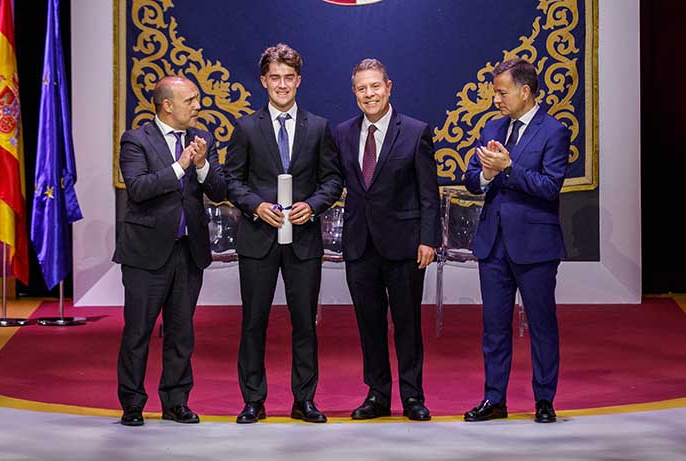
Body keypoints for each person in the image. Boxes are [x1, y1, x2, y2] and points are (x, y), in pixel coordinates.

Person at [226, 43, 343, 423]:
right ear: (263, 80)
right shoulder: (246, 127)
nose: (282, 84)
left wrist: (314, 205)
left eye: (288, 77)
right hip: (258, 239)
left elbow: (332, 180)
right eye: (275, 77)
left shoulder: (319, 127)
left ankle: (304, 400)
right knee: (253, 323)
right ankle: (253, 400)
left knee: (305, 323)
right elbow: (232, 180)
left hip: (304, 241)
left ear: (299, 80)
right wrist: (255, 205)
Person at [114, 75, 228, 426]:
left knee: (181, 332)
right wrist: (181, 166)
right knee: (138, 331)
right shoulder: (136, 140)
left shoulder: (202, 139)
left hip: (188, 252)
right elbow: (138, 188)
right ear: (167, 105)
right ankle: (132, 403)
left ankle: (176, 401)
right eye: (190, 100)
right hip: (146, 254)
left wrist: (202, 165)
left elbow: (220, 190)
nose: (198, 106)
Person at [462, 57, 570, 424]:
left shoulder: (553, 131)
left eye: (501, 92)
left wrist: (508, 168)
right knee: (494, 327)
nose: (496, 100)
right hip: (493, 244)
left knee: (541, 325)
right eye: (495, 93)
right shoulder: (492, 127)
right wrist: (487, 174)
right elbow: (472, 179)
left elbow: (550, 187)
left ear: (525, 92)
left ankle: (544, 399)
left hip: (535, 245)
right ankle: (494, 399)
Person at [333, 58, 440, 421]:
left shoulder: (415, 131)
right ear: (354, 92)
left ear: (389, 87)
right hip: (359, 245)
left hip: (405, 245)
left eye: (375, 86)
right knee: (370, 325)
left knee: (407, 324)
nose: (369, 94)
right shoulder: (343, 133)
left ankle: (412, 396)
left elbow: (429, 194)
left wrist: (428, 239)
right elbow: (334, 182)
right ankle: (377, 395)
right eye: (362, 88)